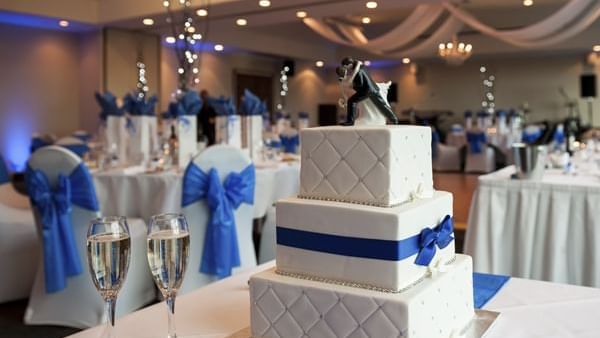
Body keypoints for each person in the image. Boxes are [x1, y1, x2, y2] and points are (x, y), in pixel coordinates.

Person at [336, 57, 399, 126]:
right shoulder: (361, 67)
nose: (347, 68)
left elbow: (360, 84)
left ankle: (350, 121)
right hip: (374, 88)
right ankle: (394, 119)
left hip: (366, 90)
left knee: (351, 101)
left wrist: (352, 86)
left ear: (350, 64)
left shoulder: (358, 72)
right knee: (382, 105)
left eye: (346, 66)